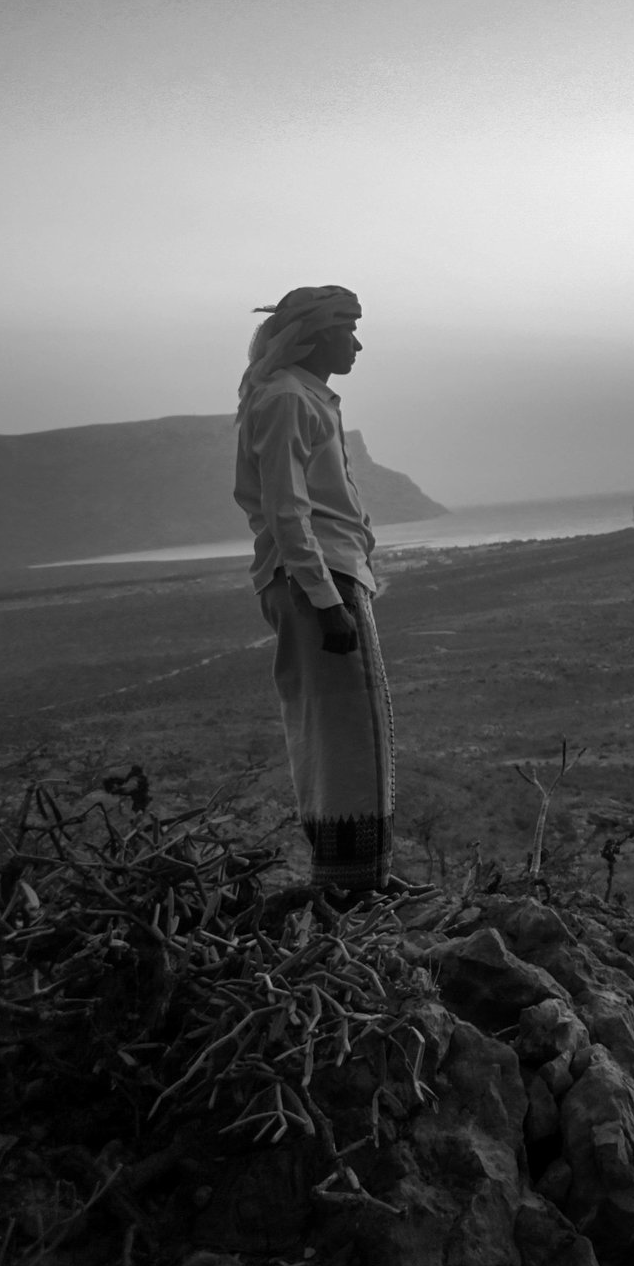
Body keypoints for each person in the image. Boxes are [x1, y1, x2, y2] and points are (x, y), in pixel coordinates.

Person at [234, 285, 395, 897]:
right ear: (312, 335)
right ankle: (349, 886)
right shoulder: (283, 399)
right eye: (345, 331)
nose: (355, 343)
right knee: (342, 731)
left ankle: (363, 876)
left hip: (328, 572)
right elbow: (286, 510)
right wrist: (326, 601)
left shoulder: (303, 397)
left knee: (356, 728)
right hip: (316, 578)